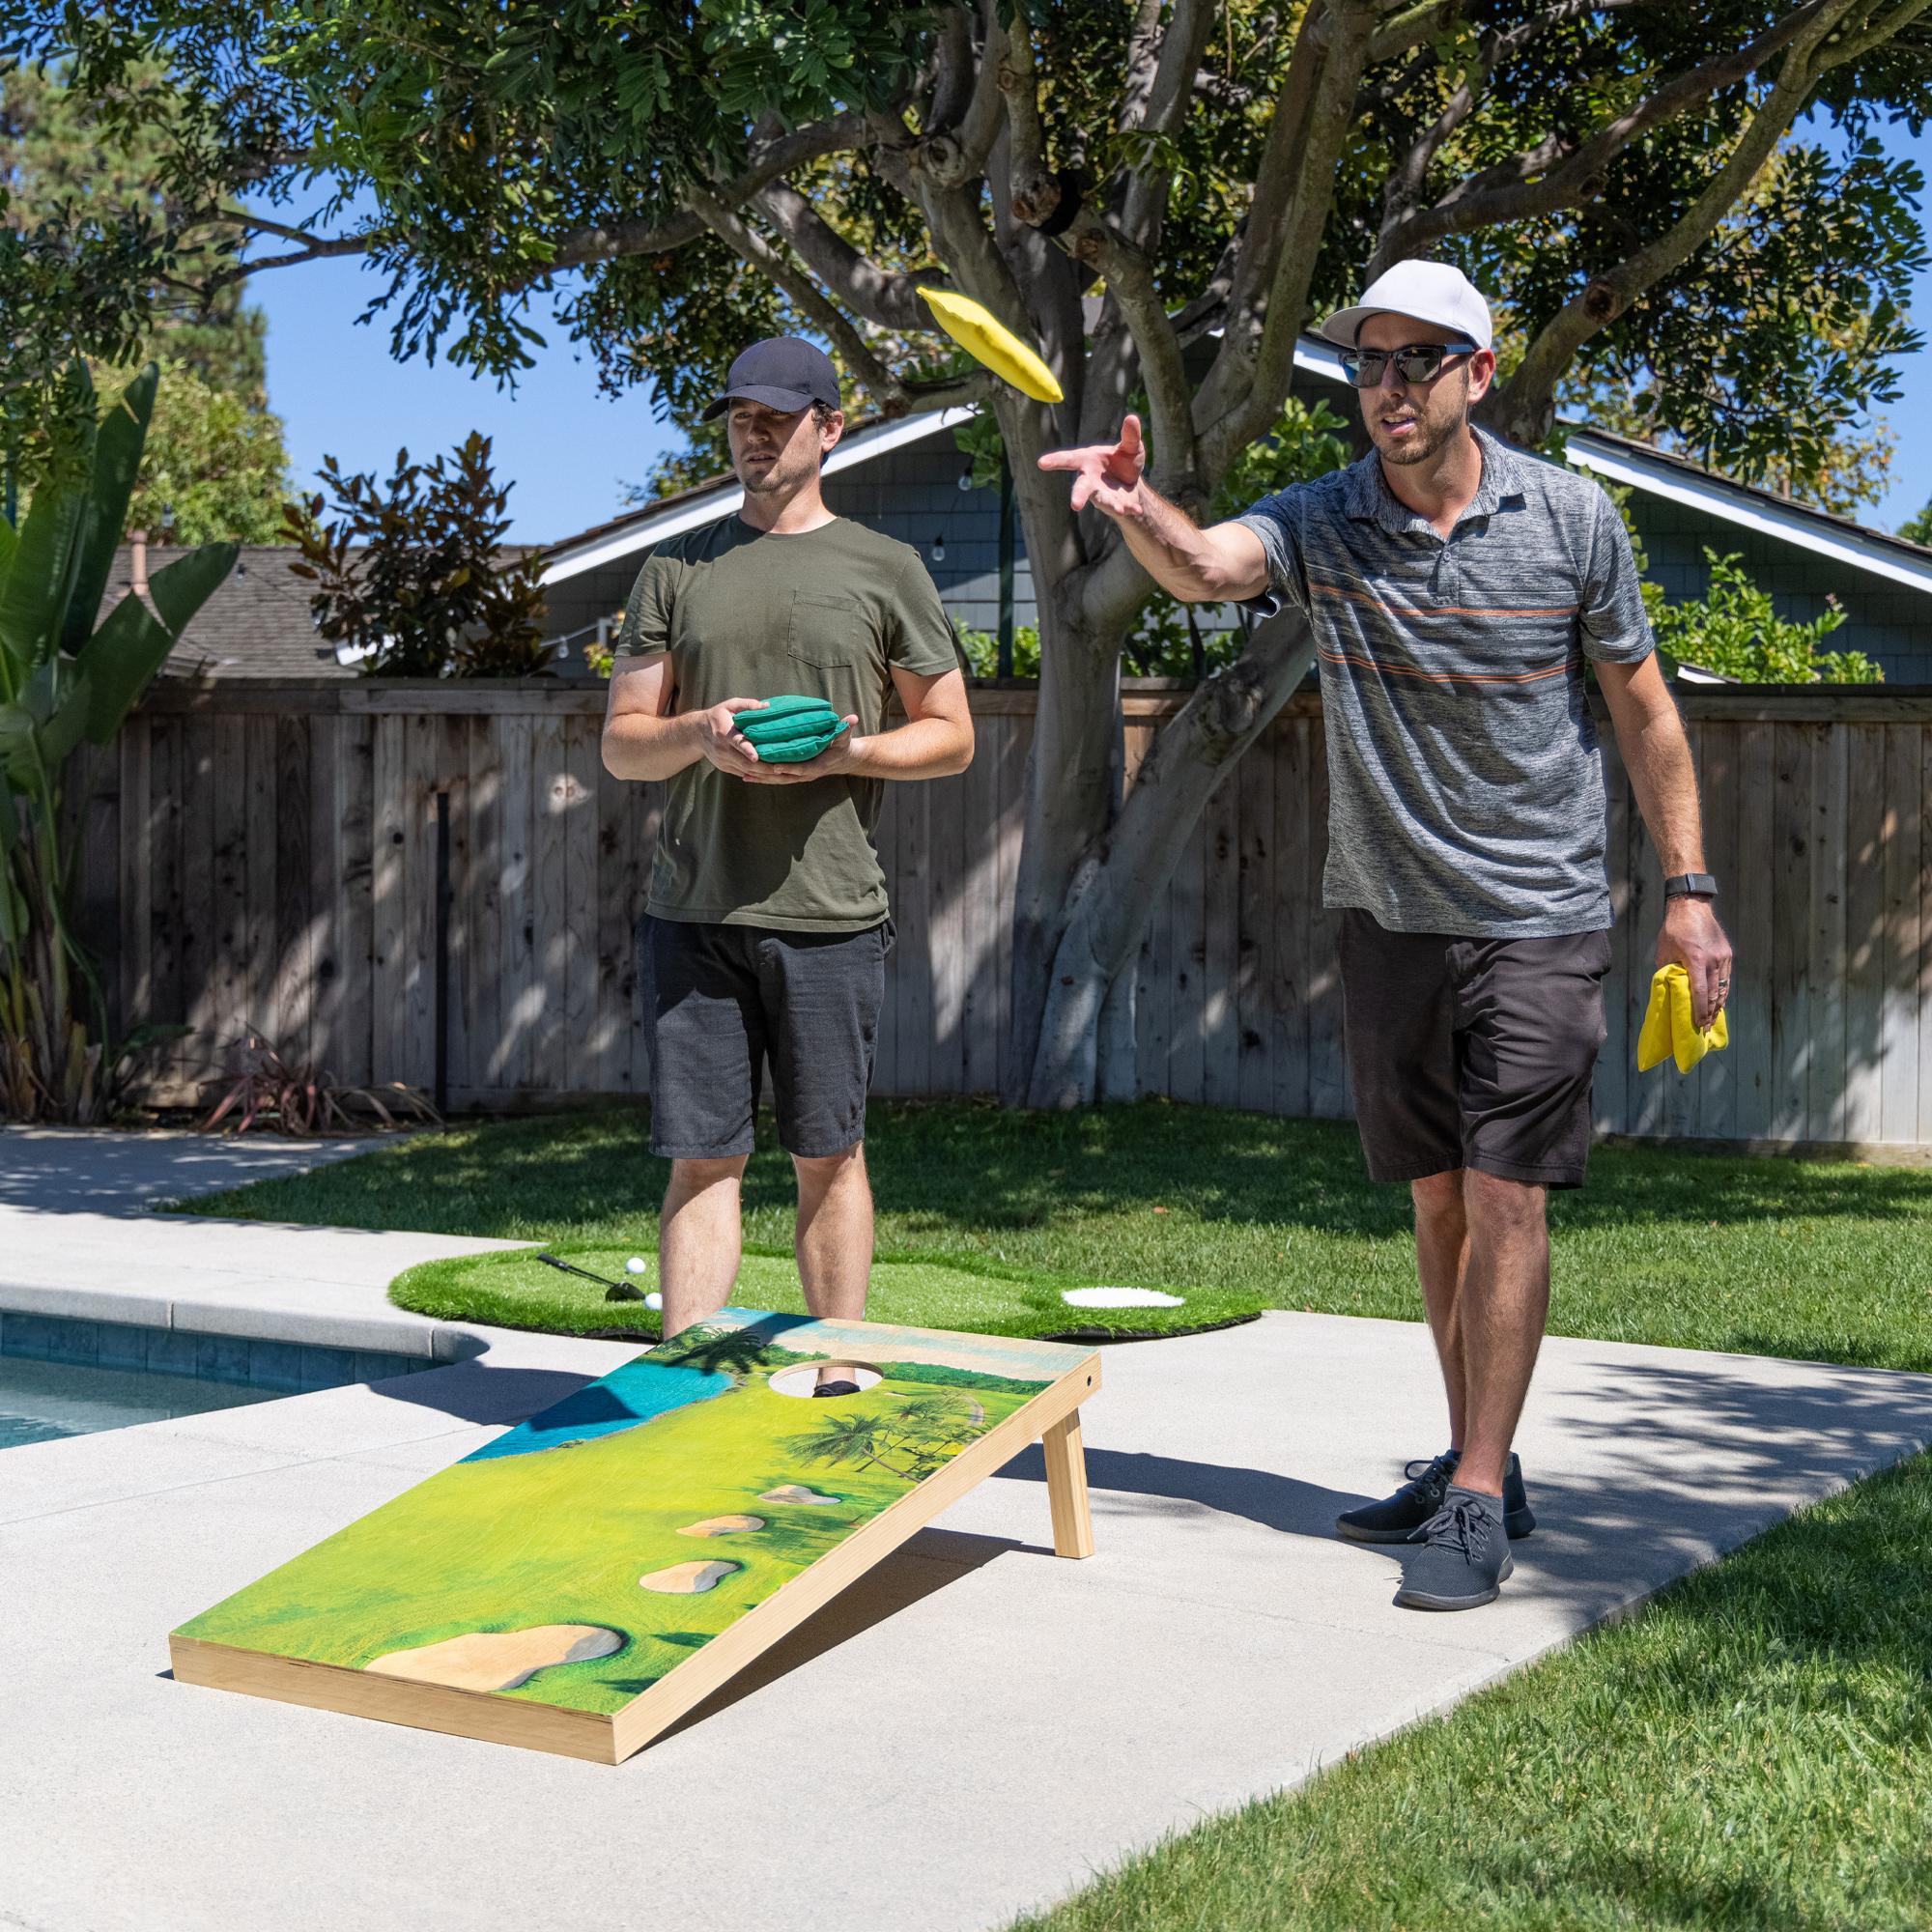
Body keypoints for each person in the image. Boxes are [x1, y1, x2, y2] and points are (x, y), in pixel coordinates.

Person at [1037, 260, 1731, 1609]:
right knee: (1434, 1194)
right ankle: (1483, 1453)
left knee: (1506, 1189)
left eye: (1420, 360)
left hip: (1540, 910)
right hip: (1390, 913)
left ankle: (1476, 1494)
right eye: (1369, 362)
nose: (1389, 386)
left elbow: (1645, 713)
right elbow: (1209, 567)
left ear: (1479, 374)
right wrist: (1134, 506)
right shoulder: (1324, 518)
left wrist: (1689, 892)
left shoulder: (1572, 520)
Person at [601, 337, 974, 1386]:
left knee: (829, 1153)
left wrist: (849, 751)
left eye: (773, 416)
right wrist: (699, 735)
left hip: (830, 915)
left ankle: (840, 1371)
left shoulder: (882, 568)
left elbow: (949, 734)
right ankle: (680, 1381)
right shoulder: (675, 568)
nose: (751, 433)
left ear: (829, 426)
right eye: (737, 416)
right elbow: (624, 739)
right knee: (703, 1156)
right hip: (694, 913)